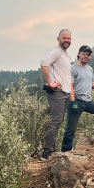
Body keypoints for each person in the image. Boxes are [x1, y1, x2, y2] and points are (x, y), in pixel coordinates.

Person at [61, 45, 94, 152]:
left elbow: (91, 85)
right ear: (78, 54)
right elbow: (70, 86)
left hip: (88, 102)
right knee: (70, 129)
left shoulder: (90, 69)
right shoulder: (72, 68)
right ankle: (65, 152)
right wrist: (73, 101)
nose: (86, 56)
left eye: (88, 54)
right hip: (76, 101)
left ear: (90, 57)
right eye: (84, 53)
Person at [39, 29, 74, 160]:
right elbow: (44, 63)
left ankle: (50, 151)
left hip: (65, 92)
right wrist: (50, 82)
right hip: (57, 92)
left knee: (58, 121)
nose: (67, 41)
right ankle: (47, 153)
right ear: (58, 39)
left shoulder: (66, 55)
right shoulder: (56, 52)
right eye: (64, 38)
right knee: (55, 121)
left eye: (69, 39)